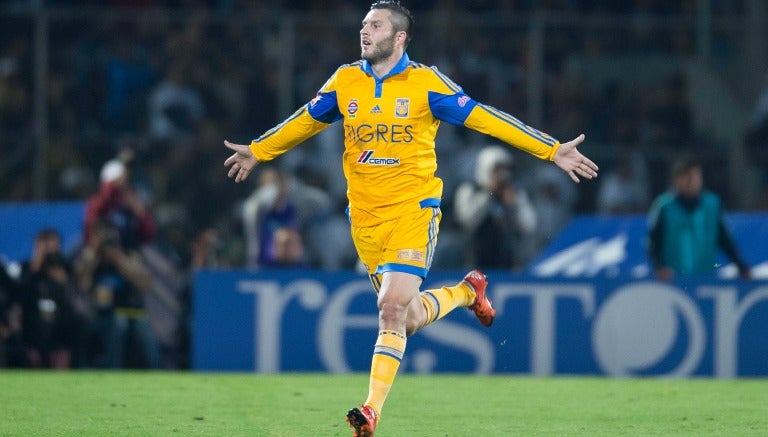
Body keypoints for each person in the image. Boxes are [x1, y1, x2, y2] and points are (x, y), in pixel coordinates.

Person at [222, 2, 598, 435]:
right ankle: (466, 292)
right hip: (364, 218)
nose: (364, 31)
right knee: (408, 317)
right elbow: (306, 120)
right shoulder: (346, 81)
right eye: (363, 24)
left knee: (390, 307)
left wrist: (551, 149)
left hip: (413, 211)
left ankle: (371, 410)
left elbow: (486, 120)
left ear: (399, 37)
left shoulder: (425, 83)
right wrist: (260, 150)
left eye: (375, 25)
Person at [647, 156, 751, 280]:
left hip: (706, 278)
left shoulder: (712, 204)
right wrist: (659, 266)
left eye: (695, 177)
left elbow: (724, 239)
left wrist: (740, 265)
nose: (691, 182)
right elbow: (653, 241)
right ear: (677, 179)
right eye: (687, 177)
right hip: (674, 279)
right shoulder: (664, 206)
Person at [454, 145, 538, 270]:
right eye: (497, 170)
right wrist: (489, 194)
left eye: (505, 170)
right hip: (474, 263)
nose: (502, 175)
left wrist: (516, 204)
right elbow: (467, 220)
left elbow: (529, 226)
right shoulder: (469, 190)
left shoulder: (514, 194)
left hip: (508, 266)